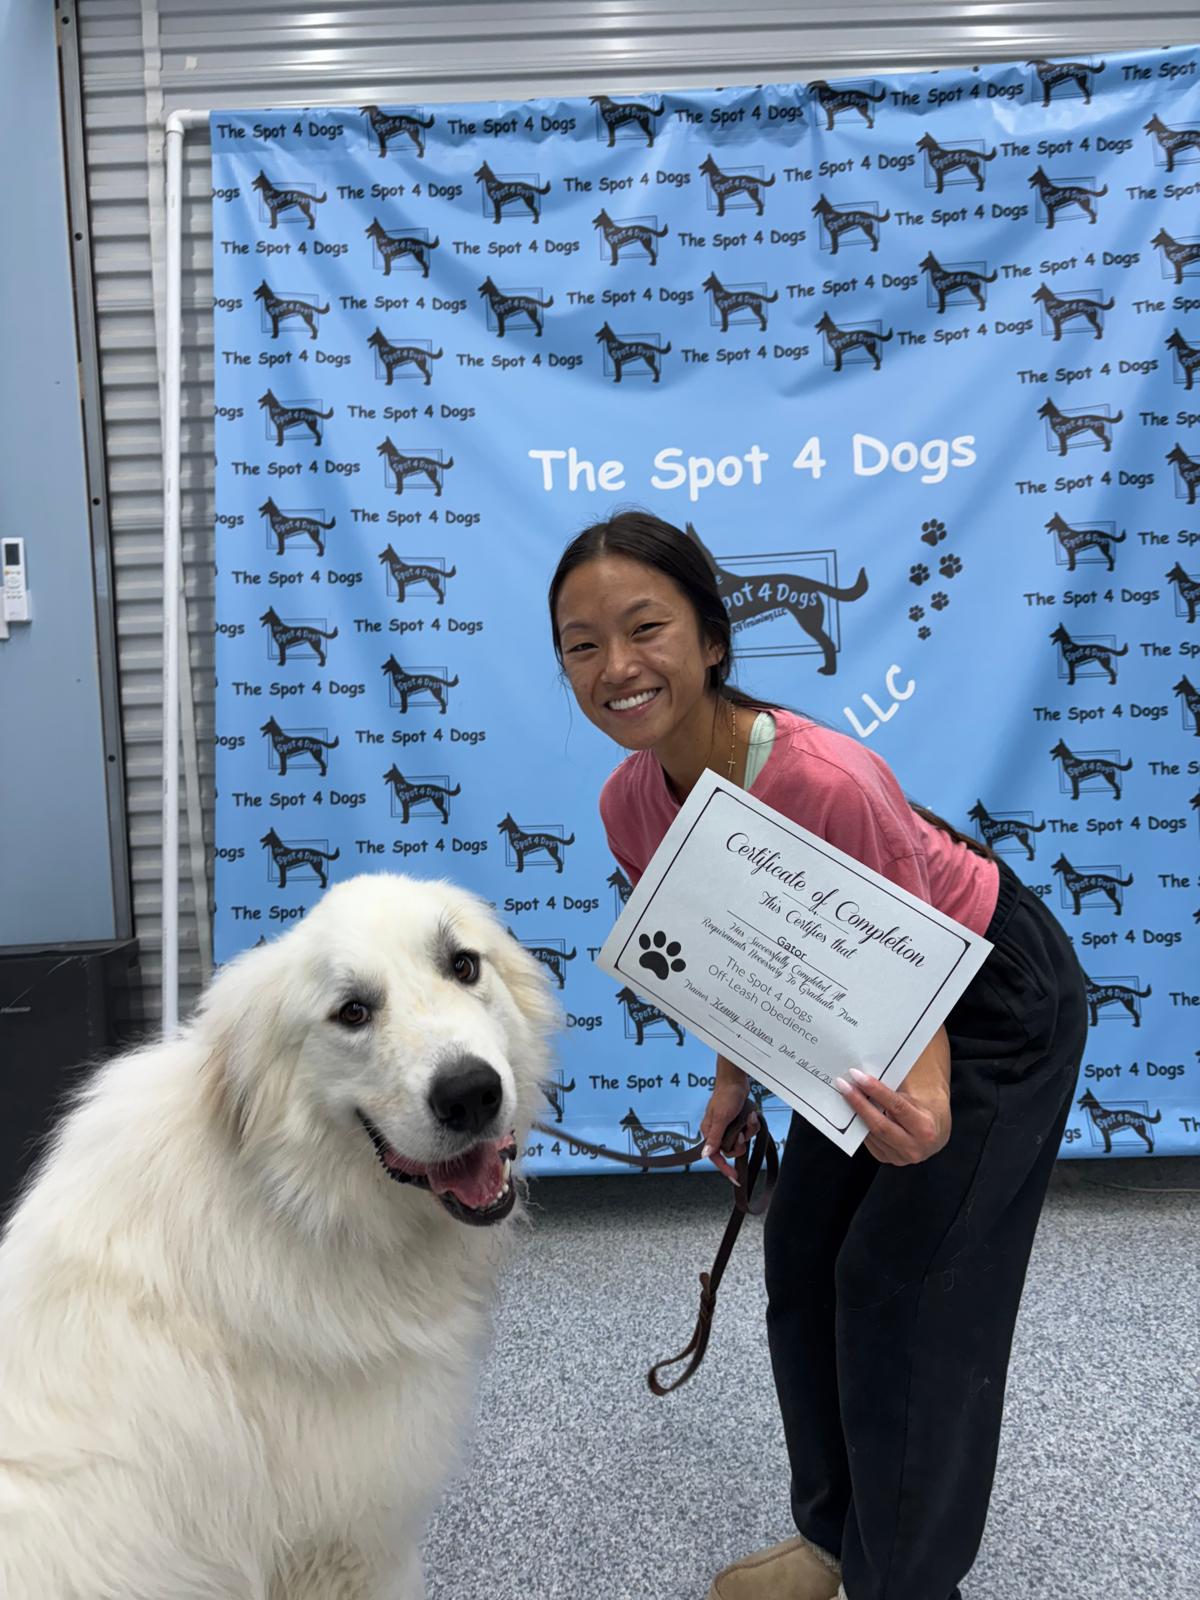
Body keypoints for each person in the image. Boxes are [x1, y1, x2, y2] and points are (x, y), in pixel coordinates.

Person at [548, 509, 1088, 1600]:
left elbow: (914, 964)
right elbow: (727, 954)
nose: (617, 666)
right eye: (582, 643)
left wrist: (928, 1110)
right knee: (801, 1261)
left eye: (645, 627)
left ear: (711, 640)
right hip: (853, 1011)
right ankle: (834, 1539)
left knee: (903, 1286)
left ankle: (903, 1581)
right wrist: (732, 1084)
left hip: (985, 1004)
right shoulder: (627, 804)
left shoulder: (827, 780)